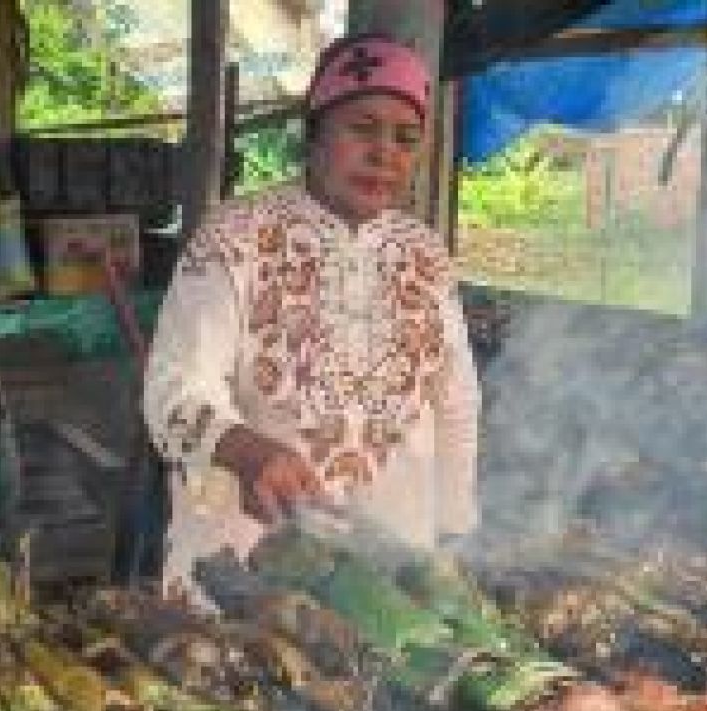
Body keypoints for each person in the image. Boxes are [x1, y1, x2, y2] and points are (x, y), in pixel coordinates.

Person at [144, 33, 480, 609]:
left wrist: (453, 533)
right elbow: (175, 389)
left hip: (393, 581)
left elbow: (456, 403)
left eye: (405, 138)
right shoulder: (235, 238)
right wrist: (249, 451)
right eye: (362, 128)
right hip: (249, 567)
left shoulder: (425, 255)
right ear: (315, 133)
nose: (385, 154)